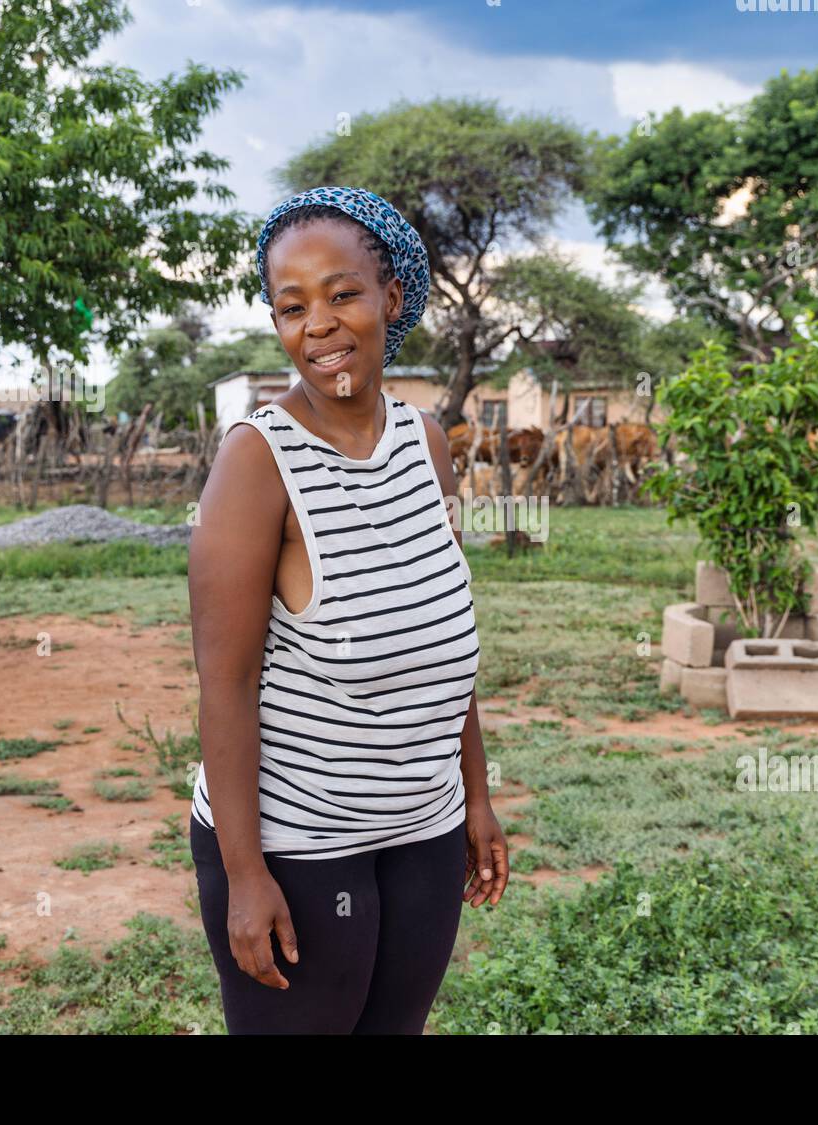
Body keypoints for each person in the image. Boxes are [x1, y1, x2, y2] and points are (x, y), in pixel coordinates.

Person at [187, 185, 508, 1035]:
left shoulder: (425, 441)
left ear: (391, 298)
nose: (318, 326)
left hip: (423, 832)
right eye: (291, 307)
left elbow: (440, 635)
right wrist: (245, 873)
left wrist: (474, 797)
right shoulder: (258, 461)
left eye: (341, 294)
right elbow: (225, 684)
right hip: (296, 842)